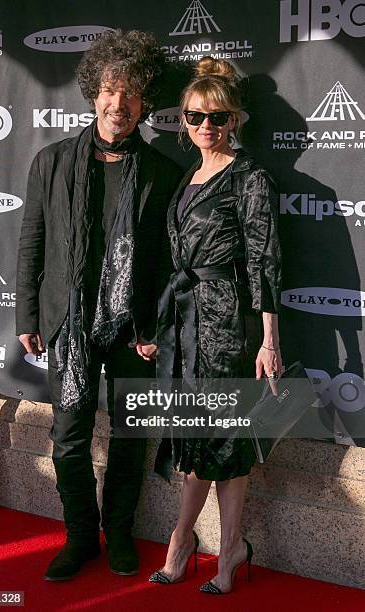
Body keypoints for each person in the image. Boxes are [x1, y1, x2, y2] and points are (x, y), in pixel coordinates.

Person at [16, 29, 181, 581]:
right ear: (93, 93)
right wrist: (27, 317)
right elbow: (32, 243)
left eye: (131, 93)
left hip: (134, 329)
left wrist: (155, 323)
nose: (119, 103)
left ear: (144, 102)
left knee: (131, 439)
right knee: (69, 437)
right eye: (110, 89)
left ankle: (120, 536)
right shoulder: (52, 161)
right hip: (68, 323)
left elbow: (164, 263)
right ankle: (81, 536)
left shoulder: (162, 172)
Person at [148, 57, 282, 594]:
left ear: (235, 120)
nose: (206, 126)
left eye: (218, 117)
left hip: (228, 323)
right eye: (195, 117)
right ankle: (193, 541)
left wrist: (269, 340)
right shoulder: (188, 175)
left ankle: (217, 547)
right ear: (182, 121)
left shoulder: (250, 177)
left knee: (224, 440)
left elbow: (264, 260)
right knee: (194, 436)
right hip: (185, 323)